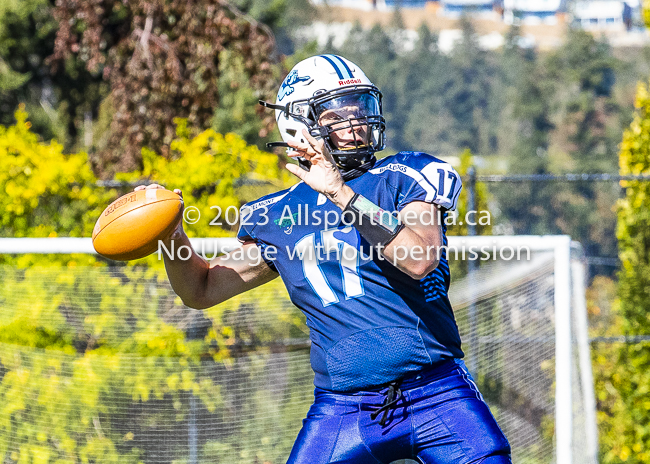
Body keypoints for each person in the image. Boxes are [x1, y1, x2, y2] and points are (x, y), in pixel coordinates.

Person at [139, 54, 511, 464]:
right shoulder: (276, 214)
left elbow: (418, 257)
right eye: (340, 114)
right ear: (300, 126)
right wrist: (171, 236)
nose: (358, 124)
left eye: (361, 109)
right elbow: (202, 288)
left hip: (436, 393)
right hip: (343, 408)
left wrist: (343, 194)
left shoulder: (406, 175)